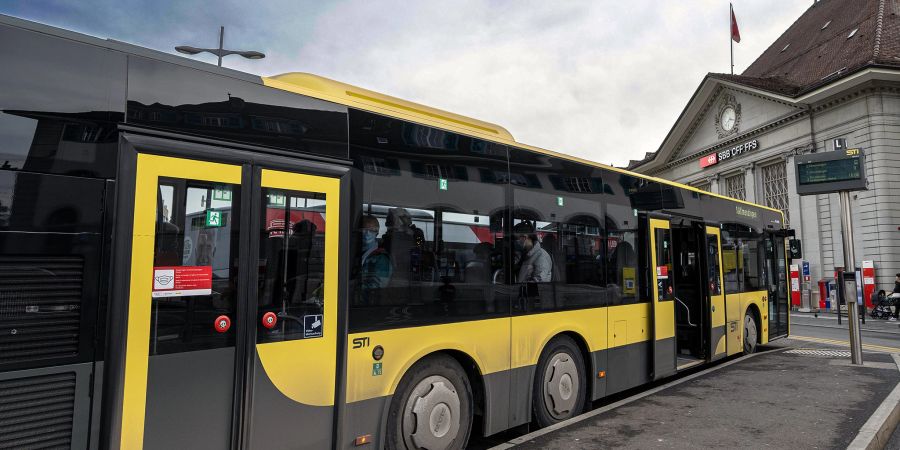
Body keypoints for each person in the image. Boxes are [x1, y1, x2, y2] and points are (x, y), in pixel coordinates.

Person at [359, 215, 391, 305]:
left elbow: (376, 289)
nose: (367, 234)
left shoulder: (381, 258)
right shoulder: (359, 253)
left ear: (377, 233)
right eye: (364, 230)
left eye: (371, 230)